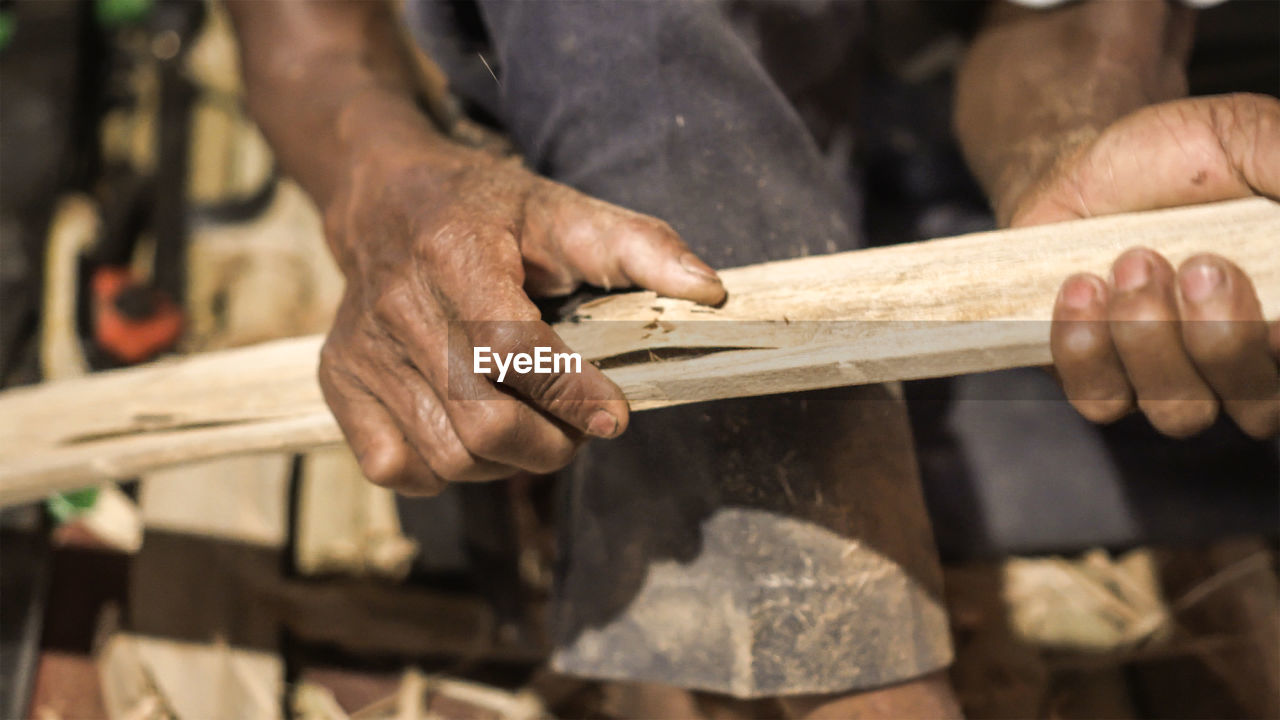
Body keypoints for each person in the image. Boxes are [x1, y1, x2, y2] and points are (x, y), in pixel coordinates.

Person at [225, 1, 1277, 717]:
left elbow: (1067, 18)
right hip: (619, 128)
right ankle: (795, 615)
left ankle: (709, 531)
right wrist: (382, 182)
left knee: (1200, 386)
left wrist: (1070, 154)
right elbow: (308, 47)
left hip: (928, 164)